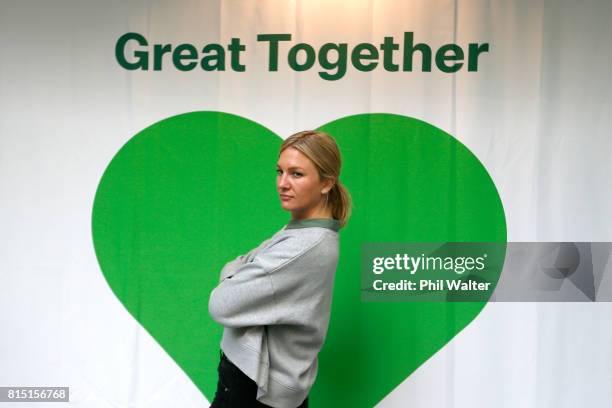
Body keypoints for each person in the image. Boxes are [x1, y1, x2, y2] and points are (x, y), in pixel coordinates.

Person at [208, 130, 351, 408]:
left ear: (326, 183)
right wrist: (240, 270)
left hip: (253, 389)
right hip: (270, 386)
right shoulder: (302, 229)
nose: (282, 183)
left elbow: (221, 303)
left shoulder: (303, 246)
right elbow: (241, 261)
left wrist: (233, 276)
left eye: (296, 174)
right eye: (279, 171)